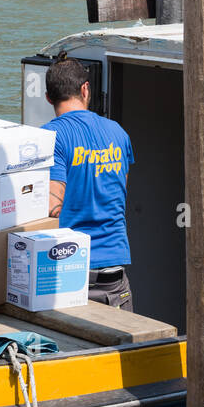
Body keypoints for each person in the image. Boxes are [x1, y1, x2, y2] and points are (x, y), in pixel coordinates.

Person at [42, 55, 135, 311]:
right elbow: (120, 191)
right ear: (85, 89)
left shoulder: (49, 137)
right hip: (114, 277)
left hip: (69, 270)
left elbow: (52, 207)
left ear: (49, 97)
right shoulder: (118, 132)